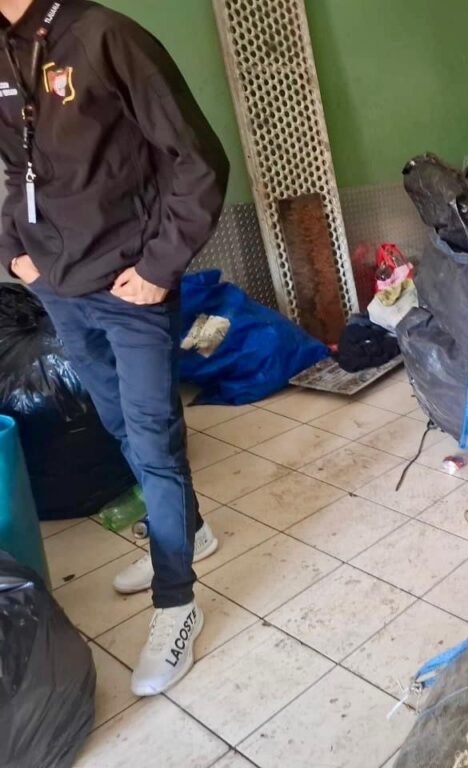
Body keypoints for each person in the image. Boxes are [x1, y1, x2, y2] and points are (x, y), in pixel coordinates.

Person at [0, 0, 229, 695]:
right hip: (57, 286)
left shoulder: (105, 36)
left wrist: (159, 267)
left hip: (133, 289)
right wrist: (15, 256)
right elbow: (14, 172)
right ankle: (190, 530)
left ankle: (177, 602)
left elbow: (198, 160)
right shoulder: (4, 49)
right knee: (120, 424)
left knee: (155, 442)